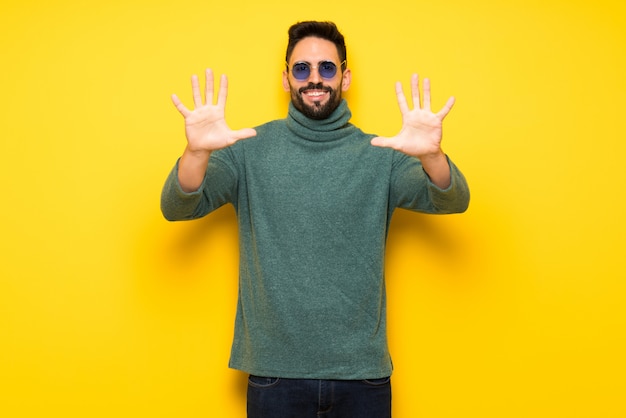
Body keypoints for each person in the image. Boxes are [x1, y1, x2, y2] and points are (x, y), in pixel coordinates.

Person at [161, 20, 469, 418]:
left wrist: (431, 156)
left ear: (345, 75)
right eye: (301, 69)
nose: (314, 79)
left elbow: (452, 199)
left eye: (326, 67)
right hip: (275, 375)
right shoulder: (248, 149)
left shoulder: (381, 152)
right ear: (287, 79)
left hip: (362, 375)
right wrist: (196, 152)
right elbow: (178, 206)